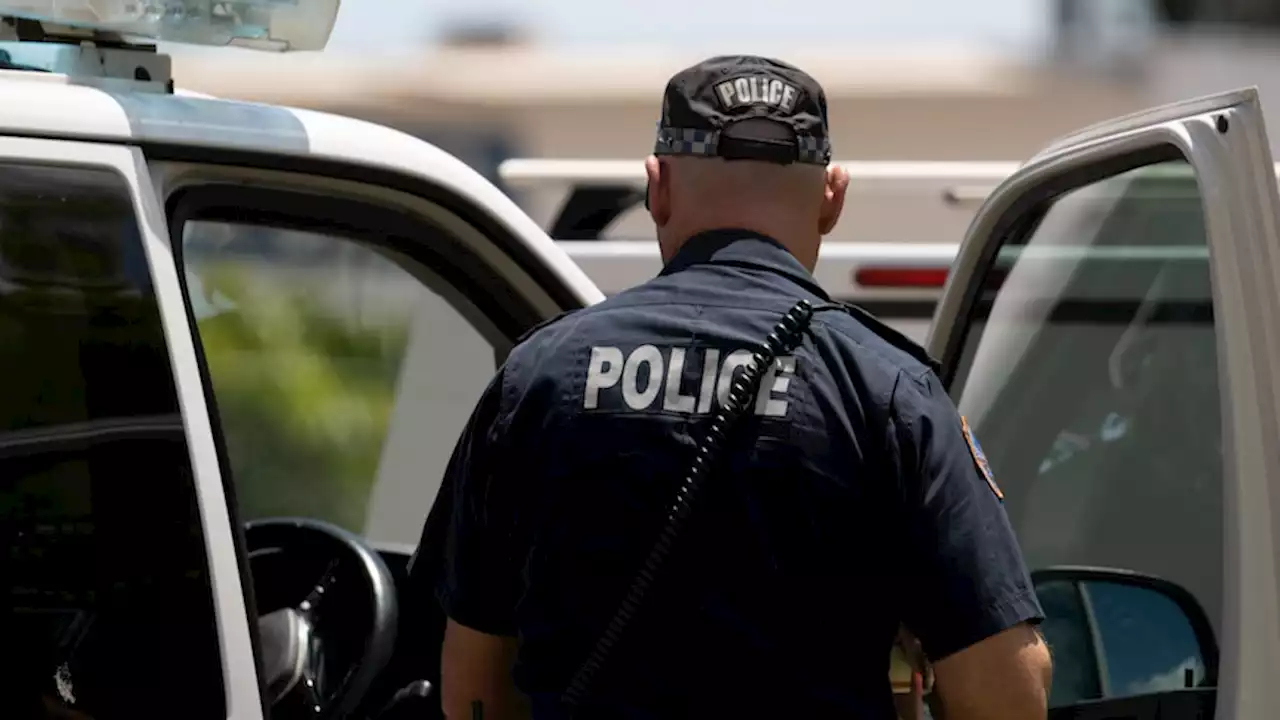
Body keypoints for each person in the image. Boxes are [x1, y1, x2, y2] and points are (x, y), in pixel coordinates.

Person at [432, 54, 1053, 719]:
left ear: (657, 188)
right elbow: (1007, 691)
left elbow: (474, 686)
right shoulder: (889, 389)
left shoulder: (538, 378)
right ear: (833, 198)